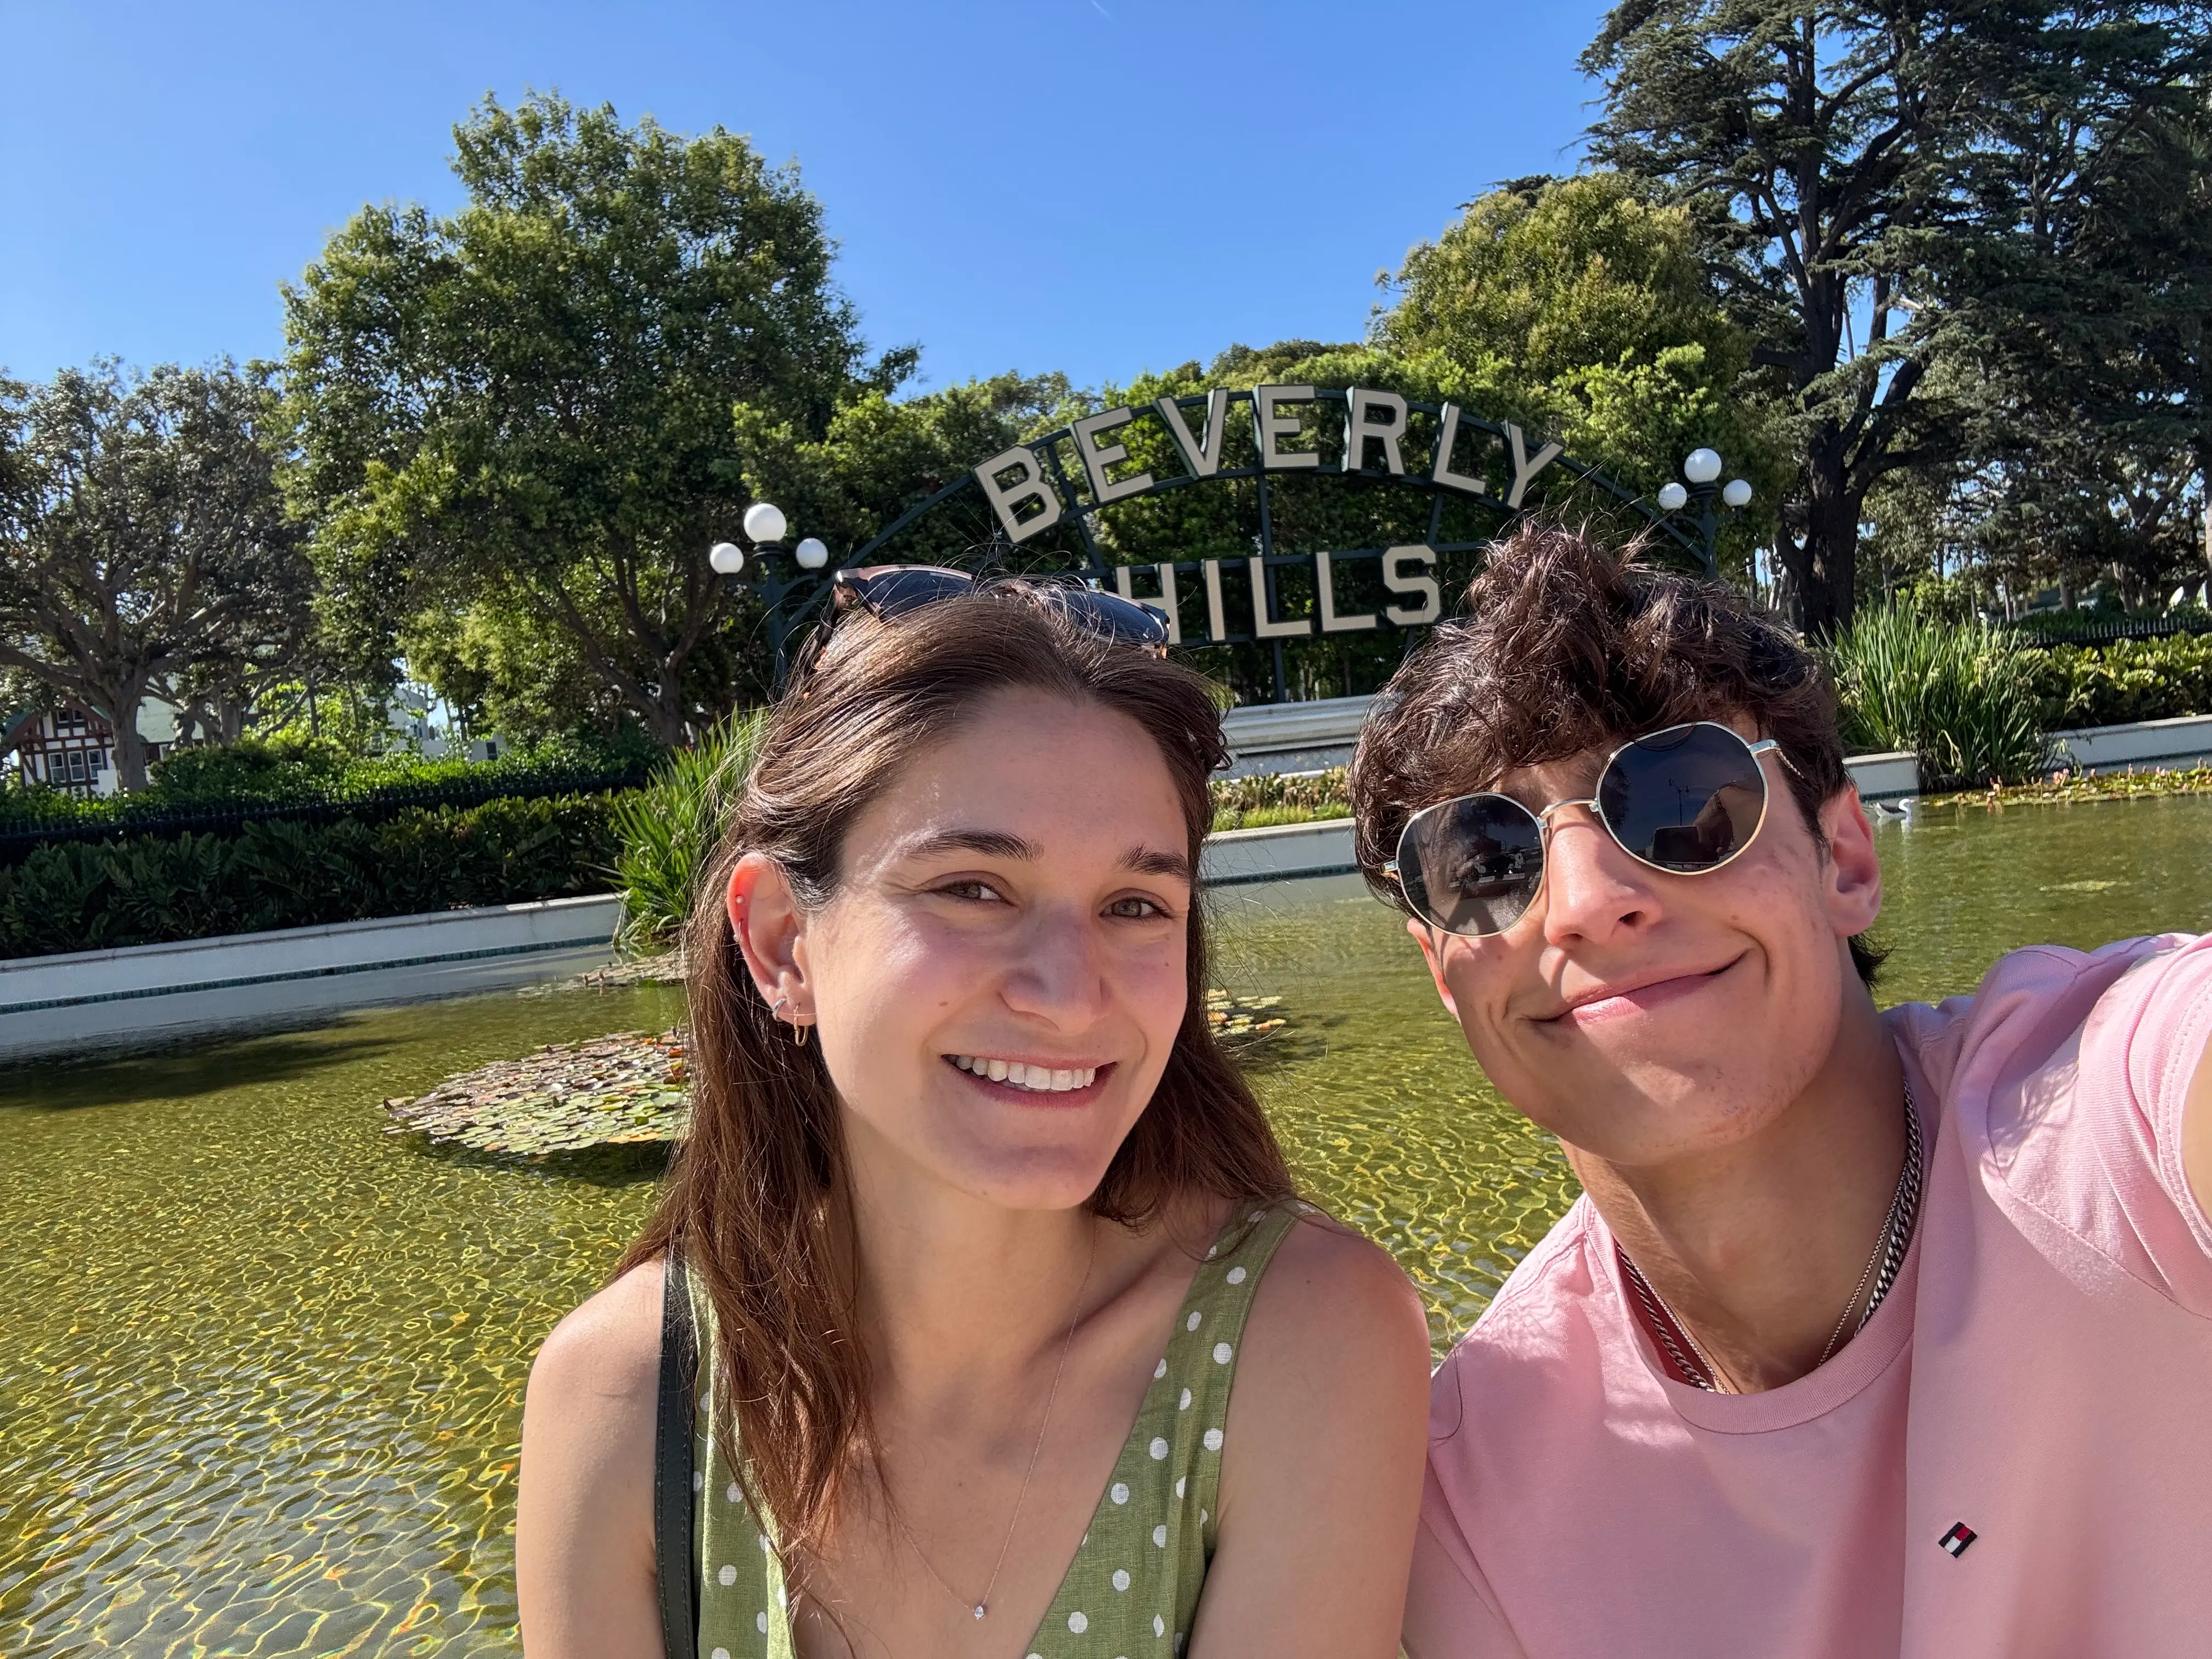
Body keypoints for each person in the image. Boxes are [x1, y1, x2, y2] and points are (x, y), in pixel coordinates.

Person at [517, 571, 1431, 1659]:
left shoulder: (1306, 1342)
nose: (1070, 994)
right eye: (973, 889)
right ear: (781, 943)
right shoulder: (629, 1401)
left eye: (1135, 904)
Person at [1349, 525, 2212, 1657]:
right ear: (1445, 975)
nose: (1588, 903)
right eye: (1487, 862)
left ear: (1844, 858)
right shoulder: (1470, 1496)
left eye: (1682, 801)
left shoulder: (2116, 1116)